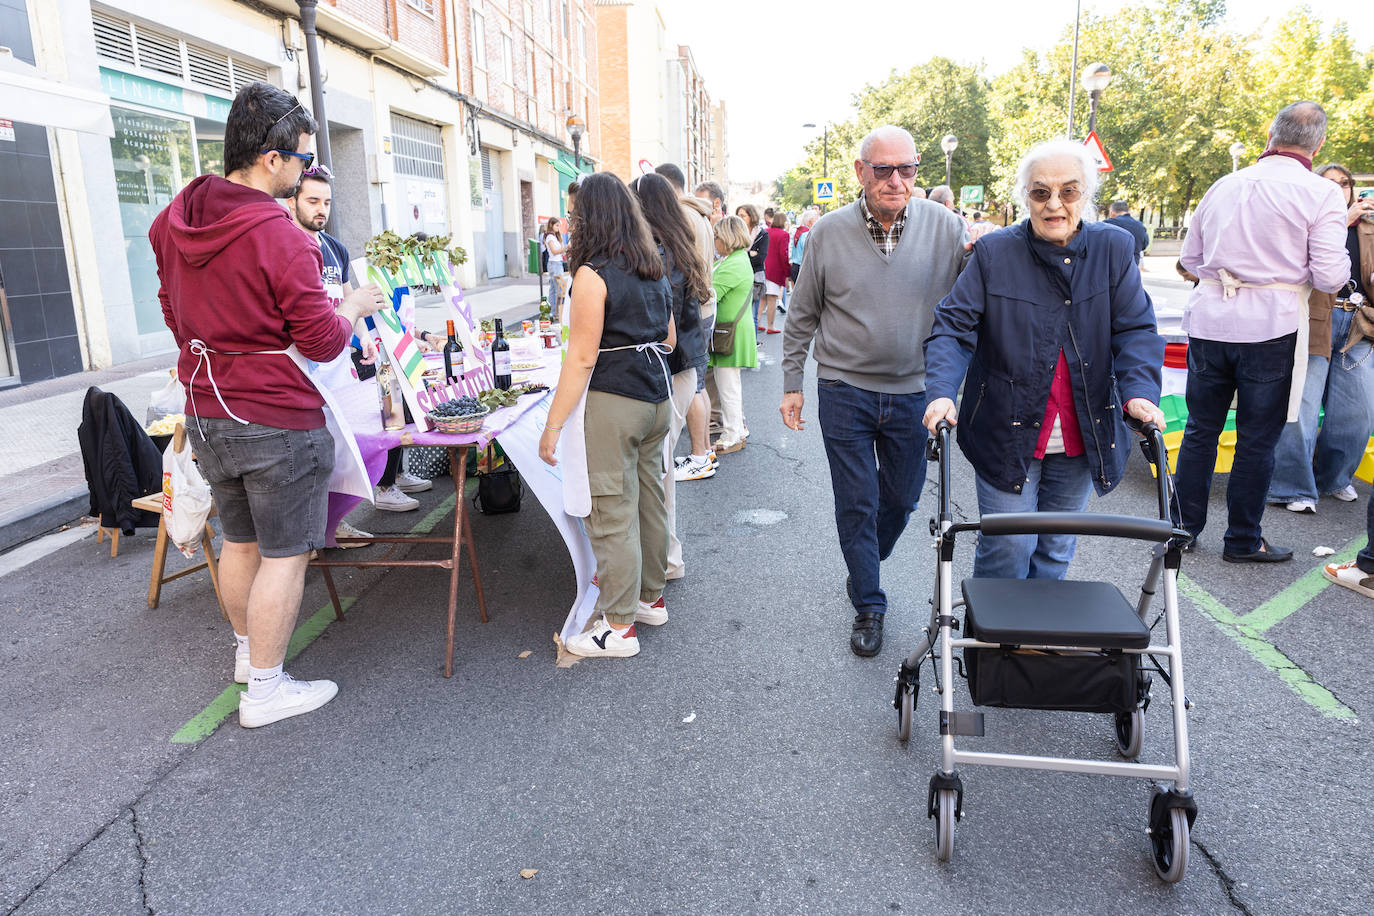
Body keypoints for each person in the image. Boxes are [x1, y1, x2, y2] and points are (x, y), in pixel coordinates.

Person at [150, 82, 386, 726]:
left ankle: (248, 656)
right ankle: (266, 688)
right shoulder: (279, 235)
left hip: (205, 409)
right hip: (274, 415)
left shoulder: (175, 217)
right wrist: (352, 306)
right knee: (284, 553)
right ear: (273, 158)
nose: (307, 171)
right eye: (304, 160)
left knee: (242, 543)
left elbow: (173, 313)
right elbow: (321, 339)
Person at [924, 139, 1166, 579]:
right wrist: (941, 393)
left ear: (1086, 195)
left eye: (1068, 191)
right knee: (1010, 546)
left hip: (1082, 430)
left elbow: (1135, 329)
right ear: (1025, 197)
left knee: (1056, 548)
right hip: (1005, 427)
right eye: (1040, 192)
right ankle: (993, 645)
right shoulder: (995, 252)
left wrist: (1139, 393)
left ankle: (1033, 648)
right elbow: (952, 328)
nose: (1054, 204)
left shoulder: (1113, 249)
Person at [780, 125, 968, 657]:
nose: (895, 181)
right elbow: (802, 315)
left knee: (903, 498)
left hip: (916, 393)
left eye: (905, 169)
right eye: (882, 170)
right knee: (856, 502)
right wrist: (793, 382)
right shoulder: (827, 233)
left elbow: (969, 308)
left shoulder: (947, 229)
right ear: (861, 172)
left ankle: (863, 559)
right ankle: (869, 602)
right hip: (844, 388)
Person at [1175, 101, 1350, 562]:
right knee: (1257, 437)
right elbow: (1331, 277)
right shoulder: (1322, 194)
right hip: (1271, 325)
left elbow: (1191, 261)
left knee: (1200, 429)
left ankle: (1183, 530)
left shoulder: (1222, 185)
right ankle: (1243, 539)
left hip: (1212, 320)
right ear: (1319, 144)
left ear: (1270, 135)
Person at [537, 172, 676, 659]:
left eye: (575, 215)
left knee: (611, 509)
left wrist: (551, 427)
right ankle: (648, 598)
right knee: (648, 501)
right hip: (655, 397)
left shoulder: (592, 275)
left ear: (589, 217)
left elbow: (581, 358)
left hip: (614, 400)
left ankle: (618, 627)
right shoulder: (652, 265)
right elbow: (670, 340)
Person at [287, 167, 431, 519]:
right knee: (321, 449)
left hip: (338, 363)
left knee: (345, 443)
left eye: (327, 202)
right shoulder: (288, 245)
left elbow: (350, 298)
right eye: (312, 201)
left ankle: (348, 512)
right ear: (292, 202)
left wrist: (363, 337)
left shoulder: (334, 247)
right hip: (303, 366)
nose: (321, 209)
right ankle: (332, 523)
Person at [1268, 163, 1374, 513]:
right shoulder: (1306, 223)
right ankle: (1291, 486)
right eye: (1330, 184)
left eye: (1344, 184)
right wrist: (1341, 221)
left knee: (1358, 412)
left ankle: (1333, 478)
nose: (1339, 189)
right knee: (1302, 406)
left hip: (1359, 322)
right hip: (1314, 321)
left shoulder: (1368, 228)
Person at [631, 173, 710, 582]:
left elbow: (661, 328)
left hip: (669, 368)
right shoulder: (678, 246)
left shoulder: (658, 253)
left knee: (657, 472)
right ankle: (670, 557)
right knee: (659, 470)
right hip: (683, 366)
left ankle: (664, 561)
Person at [657, 163, 719, 486]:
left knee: (691, 381)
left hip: (691, 309)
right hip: (704, 305)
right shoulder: (701, 215)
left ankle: (698, 456)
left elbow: (678, 273)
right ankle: (704, 451)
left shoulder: (682, 217)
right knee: (698, 381)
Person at [709, 215, 756, 454]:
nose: (714, 241)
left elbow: (710, 294)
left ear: (727, 238)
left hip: (730, 332)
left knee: (727, 387)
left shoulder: (733, 263)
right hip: (731, 330)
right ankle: (737, 428)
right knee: (730, 385)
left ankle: (731, 435)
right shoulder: (735, 259)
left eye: (716, 237)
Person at [737, 204, 768, 333]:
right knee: (740, 315)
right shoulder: (736, 232)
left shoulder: (762, 234)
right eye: (738, 215)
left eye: (743, 215)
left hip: (756, 278)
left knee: (753, 315)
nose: (740, 218)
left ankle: (753, 345)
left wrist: (745, 255)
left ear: (751, 216)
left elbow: (760, 258)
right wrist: (751, 253)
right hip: (739, 277)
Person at [762, 210, 790, 335]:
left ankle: (758, 323)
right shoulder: (783, 234)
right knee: (772, 298)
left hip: (764, 268)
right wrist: (787, 270)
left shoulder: (766, 231)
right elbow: (783, 254)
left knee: (763, 297)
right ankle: (770, 325)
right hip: (775, 270)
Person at [543, 217, 569, 318]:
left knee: (554, 289)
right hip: (555, 264)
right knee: (558, 289)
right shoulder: (550, 237)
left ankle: (553, 312)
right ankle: (556, 312)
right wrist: (566, 247)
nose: (558, 227)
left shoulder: (554, 236)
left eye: (559, 225)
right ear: (551, 225)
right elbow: (554, 251)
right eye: (557, 225)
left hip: (556, 263)